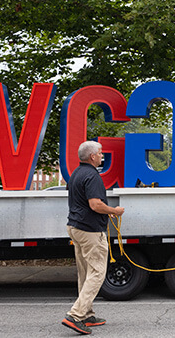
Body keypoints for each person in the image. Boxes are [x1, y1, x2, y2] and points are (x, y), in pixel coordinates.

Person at [62, 141, 125, 335]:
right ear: (92, 157)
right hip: (90, 231)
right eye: (99, 153)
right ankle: (75, 315)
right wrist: (114, 210)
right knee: (97, 273)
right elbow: (95, 204)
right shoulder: (93, 176)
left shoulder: (76, 174)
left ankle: (87, 314)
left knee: (85, 273)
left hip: (75, 227)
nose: (101, 156)